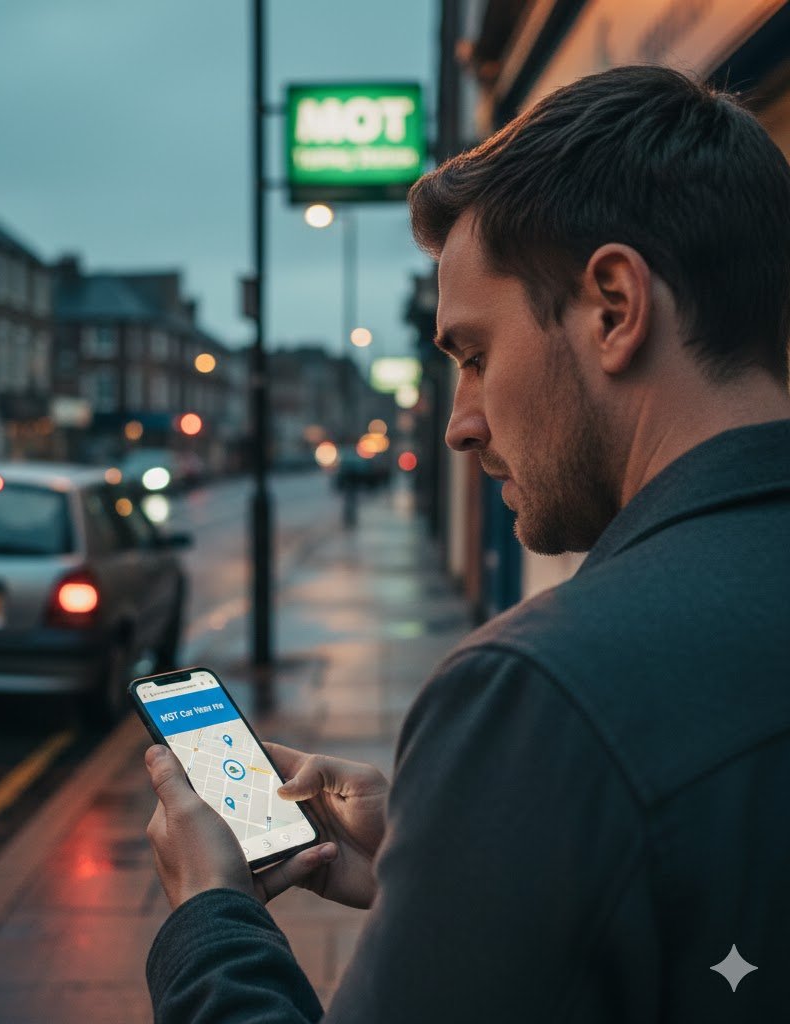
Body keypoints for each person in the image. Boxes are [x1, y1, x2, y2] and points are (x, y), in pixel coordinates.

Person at [142, 65, 790, 1021]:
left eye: (477, 356)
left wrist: (211, 917)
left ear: (614, 306)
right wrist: (461, 842)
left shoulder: (543, 692)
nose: (460, 424)